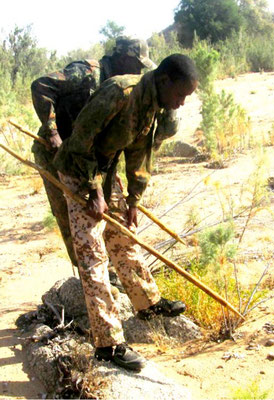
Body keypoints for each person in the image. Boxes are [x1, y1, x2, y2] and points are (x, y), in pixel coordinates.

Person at [53, 53, 198, 371]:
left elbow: (139, 154)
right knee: (93, 255)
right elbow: (80, 141)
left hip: (105, 171)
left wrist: (133, 201)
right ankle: (108, 344)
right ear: (164, 80)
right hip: (78, 170)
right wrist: (93, 191)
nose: (182, 103)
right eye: (180, 94)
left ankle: (147, 304)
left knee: (123, 235)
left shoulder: (154, 106)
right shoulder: (120, 92)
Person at [31, 36, 176, 268]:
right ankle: (87, 273)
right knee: (72, 220)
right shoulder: (87, 73)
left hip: (92, 160)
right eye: (136, 65)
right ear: (121, 57)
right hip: (58, 155)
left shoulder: (129, 90)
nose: (139, 71)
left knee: (107, 212)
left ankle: (113, 272)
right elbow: (41, 86)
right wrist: (52, 132)